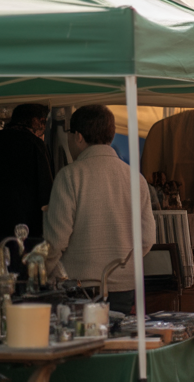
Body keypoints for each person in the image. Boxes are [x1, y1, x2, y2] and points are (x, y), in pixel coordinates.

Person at [44, 105, 155, 314]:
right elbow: (147, 239)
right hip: (124, 287)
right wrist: (123, 267)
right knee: (116, 343)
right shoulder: (136, 179)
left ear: (78, 136)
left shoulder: (70, 176)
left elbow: (56, 240)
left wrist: (43, 271)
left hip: (78, 287)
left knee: (80, 343)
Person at [0, 104, 53, 255]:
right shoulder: (35, 145)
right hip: (26, 227)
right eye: (43, 121)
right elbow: (46, 194)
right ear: (35, 121)